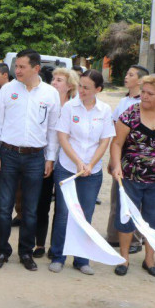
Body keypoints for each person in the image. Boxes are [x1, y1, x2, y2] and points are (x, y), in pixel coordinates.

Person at [0, 49, 60, 271]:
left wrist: (51, 158)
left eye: (21, 67)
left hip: (36, 157)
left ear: (36, 69)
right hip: (8, 155)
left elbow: (53, 129)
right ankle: (2, 250)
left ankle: (26, 252)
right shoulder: (7, 90)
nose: (16, 70)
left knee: (30, 209)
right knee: (4, 207)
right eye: (16, 66)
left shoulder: (50, 94)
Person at [109, 74, 155, 277]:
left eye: (150, 93)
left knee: (153, 220)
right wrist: (116, 166)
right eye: (142, 91)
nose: (143, 96)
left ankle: (149, 259)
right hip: (129, 177)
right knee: (126, 218)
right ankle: (124, 258)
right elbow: (116, 143)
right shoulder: (130, 113)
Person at [49, 70, 115, 274]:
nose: (82, 91)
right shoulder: (70, 107)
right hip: (68, 168)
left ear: (98, 89)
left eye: (87, 88)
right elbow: (63, 137)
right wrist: (78, 162)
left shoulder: (104, 110)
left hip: (92, 172)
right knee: (63, 214)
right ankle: (58, 255)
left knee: (85, 216)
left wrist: (90, 164)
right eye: (80, 86)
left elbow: (105, 140)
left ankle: (81, 259)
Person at [33, 68, 80, 259]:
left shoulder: (75, 107)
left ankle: (57, 246)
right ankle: (39, 244)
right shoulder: (44, 102)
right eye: (53, 79)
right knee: (41, 203)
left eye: (59, 80)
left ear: (70, 86)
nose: (53, 82)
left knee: (63, 207)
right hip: (44, 159)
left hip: (67, 163)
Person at [105, 65, 149, 252]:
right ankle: (115, 235)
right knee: (118, 196)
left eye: (131, 74)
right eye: (127, 73)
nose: (126, 76)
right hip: (121, 154)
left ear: (140, 80)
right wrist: (113, 159)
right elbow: (115, 131)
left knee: (135, 201)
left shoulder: (146, 104)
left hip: (139, 158)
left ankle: (135, 239)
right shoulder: (124, 102)